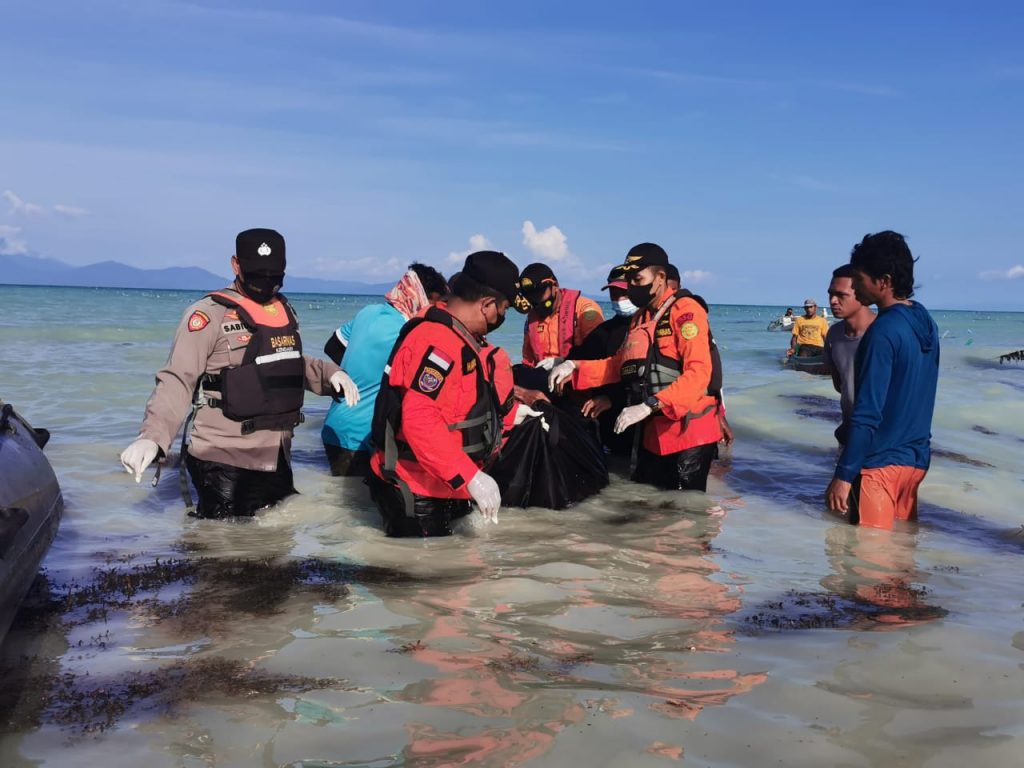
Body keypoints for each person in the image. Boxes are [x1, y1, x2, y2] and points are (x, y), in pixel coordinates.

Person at [119, 229, 356, 518]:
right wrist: (153, 437)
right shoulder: (208, 315)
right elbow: (177, 378)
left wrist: (330, 374)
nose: (266, 285)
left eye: (274, 277)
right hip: (223, 456)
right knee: (224, 549)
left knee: (278, 545)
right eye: (257, 276)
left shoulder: (283, 310)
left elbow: (285, 362)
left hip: (275, 454)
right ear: (235, 265)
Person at [367, 251, 544, 537]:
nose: (502, 317)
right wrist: (470, 476)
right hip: (418, 488)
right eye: (504, 309)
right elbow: (420, 419)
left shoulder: (464, 337)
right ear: (487, 305)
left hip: (448, 481)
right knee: (426, 576)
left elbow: (463, 401)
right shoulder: (438, 343)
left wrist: (513, 413)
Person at [549, 243, 723, 491]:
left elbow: (699, 374)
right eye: (629, 279)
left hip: (687, 433)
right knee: (647, 508)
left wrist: (650, 404)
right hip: (653, 432)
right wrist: (573, 366)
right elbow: (618, 365)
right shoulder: (640, 318)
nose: (632, 286)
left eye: (638, 278)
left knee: (683, 512)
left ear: (661, 277)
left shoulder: (686, 311)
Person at [826, 231, 939, 530]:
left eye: (860, 277)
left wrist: (844, 474)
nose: (856, 284)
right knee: (899, 564)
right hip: (914, 462)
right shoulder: (925, 321)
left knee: (869, 568)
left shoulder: (882, 332)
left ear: (884, 281)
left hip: (879, 464)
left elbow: (867, 412)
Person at [321, 264, 449, 476]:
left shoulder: (368, 312)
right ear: (425, 297)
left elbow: (332, 346)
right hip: (362, 436)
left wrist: (358, 372)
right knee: (359, 506)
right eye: (439, 303)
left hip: (334, 426)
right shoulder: (409, 331)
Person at [823, 264, 876, 445]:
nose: (832, 301)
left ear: (862, 295)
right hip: (848, 432)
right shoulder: (834, 335)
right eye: (831, 294)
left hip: (881, 439)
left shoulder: (883, 332)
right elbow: (840, 385)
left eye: (841, 295)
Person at [518, 263, 604, 368]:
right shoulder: (532, 317)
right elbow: (528, 360)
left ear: (555, 286)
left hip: (577, 375)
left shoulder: (584, 309)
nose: (536, 300)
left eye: (539, 294)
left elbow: (598, 355)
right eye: (531, 296)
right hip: (542, 378)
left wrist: (565, 362)